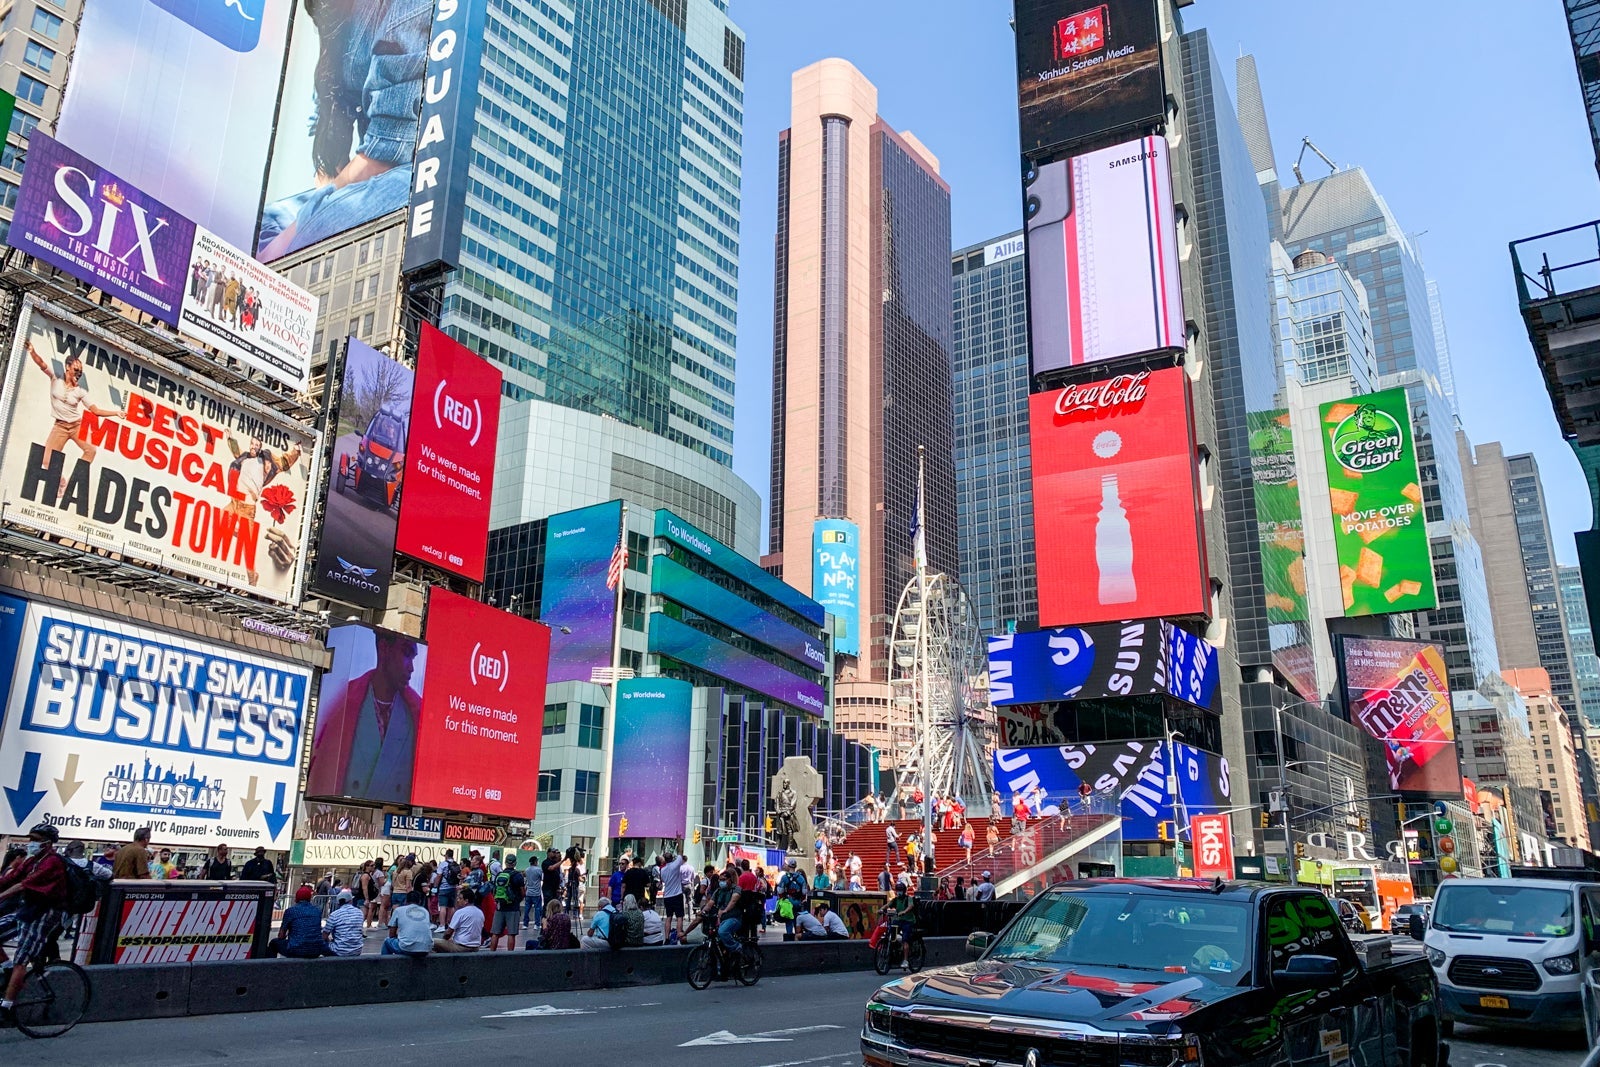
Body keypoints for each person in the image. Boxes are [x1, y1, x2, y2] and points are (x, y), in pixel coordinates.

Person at [257, 0, 429, 260]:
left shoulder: (406, 7)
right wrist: (324, 196)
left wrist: (305, 223)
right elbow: (328, 106)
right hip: (371, 174)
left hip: (415, 178)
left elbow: (386, 154)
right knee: (263, 226)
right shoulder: (335, 11)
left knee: (291, 246)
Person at [306, 629, 421, 800]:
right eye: (406, 653)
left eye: (413, 658)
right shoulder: (342, 707)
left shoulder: (416, 717)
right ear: (384, 648)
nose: (411, 668)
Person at [0, 823, 70, 1020]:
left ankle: (7, 1007)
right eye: (31, 839)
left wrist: (1, 896)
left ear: (48, 844)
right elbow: (11, 878)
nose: (31, 844)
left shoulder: (53, 862)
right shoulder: (32, 861)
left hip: (46, 914)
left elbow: (23, 884)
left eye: (36, 840)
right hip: (28, 909)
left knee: (21, 959)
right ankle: (7, 972)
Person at [269, 887, 331, 958]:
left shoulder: (290, 911)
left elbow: (281, 935)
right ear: (310, 898)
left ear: (296, 898)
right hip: (315, 950)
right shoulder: (317, 911)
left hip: (295, 950)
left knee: (273, 943)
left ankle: (271, 966)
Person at [381, 887, 433, 957]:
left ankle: (385, 965)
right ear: (420, 901)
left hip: (406, 948)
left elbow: (391, 934)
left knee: (387, 941)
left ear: (406, 901)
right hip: (426, 948)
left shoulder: (398, 910)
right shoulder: (425, 911)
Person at [487, 855, 524, 951]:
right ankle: (510, 955)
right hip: (513, 908)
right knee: (511, 934)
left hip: (500, 907)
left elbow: (494, 891)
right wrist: (517, 900)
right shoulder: (518, 876)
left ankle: (491, 954)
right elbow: (523, 892)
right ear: (515, 863)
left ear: (505, 863)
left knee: (495, 933)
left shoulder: (499, 875)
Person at [433, 888, 484, 953]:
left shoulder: (460, 912)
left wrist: (444, 940)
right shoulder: (480, 912)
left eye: (460, 898)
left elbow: (449, 932)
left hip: (461, 947)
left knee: (432, 942)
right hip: (475, 947)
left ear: (466, 901)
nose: (457, 900)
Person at [324, 889, 365, 957]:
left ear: (338, 903)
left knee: (321, 944)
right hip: (357, 950)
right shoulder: (359, 912)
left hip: (339, 951)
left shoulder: (334, 915)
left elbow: (324, 935)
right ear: (351, 901)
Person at [886, 882, 917, 970]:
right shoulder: (895, 899)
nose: (899, 892)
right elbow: (888, 905)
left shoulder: (908, 899)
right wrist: (881, 909)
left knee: (905, 940)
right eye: (898, 891)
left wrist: (904, 911)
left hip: (908, 921)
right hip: (899, 920)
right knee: (892, 934)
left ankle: (905, 960)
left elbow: (910, 906)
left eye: (900, 891)